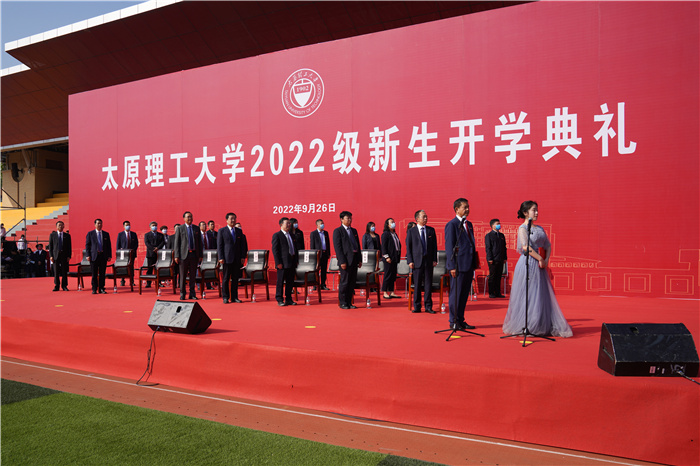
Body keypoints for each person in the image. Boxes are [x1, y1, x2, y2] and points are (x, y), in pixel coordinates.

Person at [502, 201, 572, 337]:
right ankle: (527, 324)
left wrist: (546, 260)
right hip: (527, 264)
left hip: (540, 266)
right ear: (525, 212)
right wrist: (540, 258)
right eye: (533, 210)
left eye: (537, 210)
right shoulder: (522, 228)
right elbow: (525, 247)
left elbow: (548, 245)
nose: (537, 213)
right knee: (528, 294)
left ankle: (540, 323)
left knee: (540, 294)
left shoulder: (540, 228)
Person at [445, 198, 477, 330]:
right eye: (465, 207)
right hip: (457, 265)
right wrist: (451, 266)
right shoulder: (452, 225)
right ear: (457, 209)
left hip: (468, 264)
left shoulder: (469, 224)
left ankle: (460, 319)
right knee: (456, 294)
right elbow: (449, 247)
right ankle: (453, 321)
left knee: (464, 295)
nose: (467, 209)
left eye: (468, 207)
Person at [406, 210, 438, 313]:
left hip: (428, 261)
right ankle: (417, 306)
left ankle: (428, 306)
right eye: (423, 216)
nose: (426, 218)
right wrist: (410, 261)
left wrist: (434, 259)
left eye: (426, 216)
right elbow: (408, 247)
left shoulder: (431, 230)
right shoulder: (412, 231)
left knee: (428, 284)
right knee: (417, 284)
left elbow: (434, 247)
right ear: (417, 219)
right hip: (416, 261)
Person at [333, 211, 361, 309]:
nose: (349, 220)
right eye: (347, 218)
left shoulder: (354, 231)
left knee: (352, 282)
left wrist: (359, 259)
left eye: (350, 218)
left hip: (354, 259)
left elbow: (358, 246)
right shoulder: (338, 231)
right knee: (345, 282)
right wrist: (342, 261)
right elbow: (338, 248)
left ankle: (349, 302)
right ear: (341, 219)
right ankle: (343, 303)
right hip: (345, 260)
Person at [218, 212, 246, 304]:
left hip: (237, 259)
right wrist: (221, 257)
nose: (233, 220)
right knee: (226, 278)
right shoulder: (222, 231)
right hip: (226, 258)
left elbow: (242, 245)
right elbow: (220, 245)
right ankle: (225, 297)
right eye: (231, 219)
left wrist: (242, 256)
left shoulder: (239, 231)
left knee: (235, 279)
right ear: (227, 220)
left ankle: (234, 297)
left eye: (234, 218)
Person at [173, 212, 202, 300]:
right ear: (184, 218)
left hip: (194, 255)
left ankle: (192, 294)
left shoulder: (196, 228)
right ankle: (182, 293)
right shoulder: (180, 228)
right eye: (188, 217)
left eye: (191, 217)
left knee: (193, 275)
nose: (189, 218)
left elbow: (200, 243)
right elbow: (177, 243)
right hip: (183, 255)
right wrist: (176, 255)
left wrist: (200, 255)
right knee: (183, 275)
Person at [271, 217, 298, 306]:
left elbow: (295, 249)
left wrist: (296, 260)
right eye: (287, 223)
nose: (289, 225)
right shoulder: (277, 235)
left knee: (290, 282)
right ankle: (279, 299)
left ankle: (289, 299)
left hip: (292, 262)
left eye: (289, 223)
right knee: (280, 282)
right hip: (282, 263)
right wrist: (278, 263)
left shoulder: (292, 235)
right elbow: (275, 250)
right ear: (281, 224)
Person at [85, 218, 112, 294]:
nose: (99, 225)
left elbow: (109, 246)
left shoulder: (106, 234)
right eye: (98, 223)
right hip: (94, 256)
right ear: (95, 224)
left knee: (102, 273)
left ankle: (101, 288)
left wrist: (109, 255)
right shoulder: (90, 234)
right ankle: (94, 288)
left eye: (101, 223)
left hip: (103, 256)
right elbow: (87, 245)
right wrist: (88, 255)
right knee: (94, 274)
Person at [485, 218, 507, 298]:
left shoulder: (501, 235)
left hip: (500, 258)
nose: (499, 225)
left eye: (499, 223)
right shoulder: (489, 236)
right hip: (493, 259)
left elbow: (504, 247)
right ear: (492, 225)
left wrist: (505, 258)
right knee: (492, 276)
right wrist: (490, 258)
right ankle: (491, 293)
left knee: (499, 276)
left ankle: (498, 292)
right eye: (497, 224)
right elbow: (488, 248)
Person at [380, 218, 401, 299]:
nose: (393, 223)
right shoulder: (385, 234)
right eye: (391, 222)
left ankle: (392, 292)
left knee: (393, 275)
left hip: (395, 257)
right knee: (387, 275)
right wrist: (386, 256)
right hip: (388, 258)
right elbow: (384, 247)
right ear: (387, 225)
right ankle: (385, 292)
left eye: (393, 222)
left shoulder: (394, 234)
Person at [49, 220, 71, 291]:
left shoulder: (67, 236)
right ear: (56, 227)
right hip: (55, 255)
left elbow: (69, 247)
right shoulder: (52, 235)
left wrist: (69, 256)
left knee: (64, 271)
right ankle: (56, 285)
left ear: (64, 226)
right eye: (59, 225)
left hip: (64, 255)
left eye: (62, 225)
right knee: (56, 271)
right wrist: (51, 256)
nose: (61, 226)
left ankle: (64, 285)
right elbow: (51, 247)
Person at [309, 219, 331, 290]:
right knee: (316, 270)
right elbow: (312, 245)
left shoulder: (326, 233)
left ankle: (323, 284)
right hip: (317, 254)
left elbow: (328, 244)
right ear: (317, 225)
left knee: (324, 270)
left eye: (323, 223)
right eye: (321, 224)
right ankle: (315, 284)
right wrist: (313, 255)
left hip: (325, 254)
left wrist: (328, 253)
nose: (322, 225)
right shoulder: (314, 233)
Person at [116, 220, 138, 286]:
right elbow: (118, 245)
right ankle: (122, 281)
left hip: (131, 254)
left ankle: (132, 281)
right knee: (123, 267)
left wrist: (133, 250)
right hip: (123, 254)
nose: (128, 226)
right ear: (123, 226)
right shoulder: (120, 234)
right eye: (126, 225)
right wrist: (119, 253)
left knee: (131, 267)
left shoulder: (133, 234)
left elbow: (136, 244)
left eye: (129, 225)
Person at [144, 221, 165, 288]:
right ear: (150, 227)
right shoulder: (147, 235)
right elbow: (147, 243)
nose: (154, 227)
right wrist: (153, 249)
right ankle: (148, 283)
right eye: (153, 225)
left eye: (155, 225)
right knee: (150, 269)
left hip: (158, 254)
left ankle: (159, 282)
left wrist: (157, 248)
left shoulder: (160, 235)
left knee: (158, 269)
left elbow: (162, 242)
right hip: (150, 254)